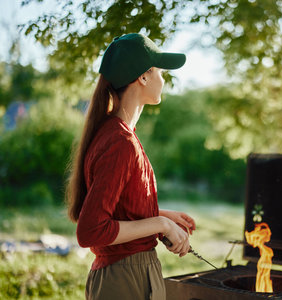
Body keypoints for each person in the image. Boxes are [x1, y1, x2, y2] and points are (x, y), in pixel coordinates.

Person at [65, 33, 196, 300]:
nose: (163, 79)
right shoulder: (120, 141)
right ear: (143, 77)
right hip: (125, 279)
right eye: (160, 71)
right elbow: (91, 230)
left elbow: (115, 207)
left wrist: (160, 215)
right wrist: (160, 223)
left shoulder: (119, 133)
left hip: (130, 274)